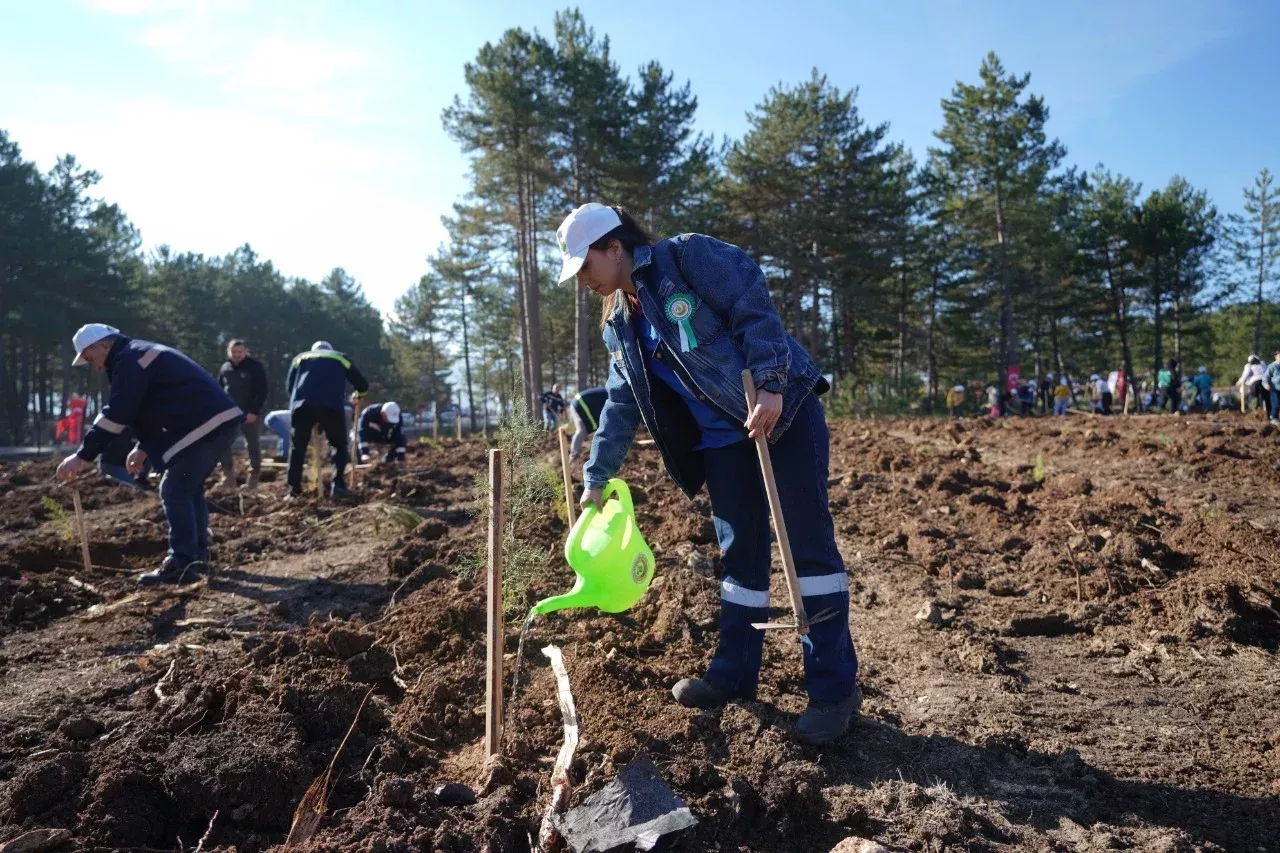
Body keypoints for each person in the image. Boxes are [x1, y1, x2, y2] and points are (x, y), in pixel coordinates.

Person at [556, 202, 857, 745]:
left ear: (615, 247)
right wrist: (596, 477)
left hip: (780, 413)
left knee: (806, 549)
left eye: (585, 265)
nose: (582, 280)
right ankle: (734, 675)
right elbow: (623, 404)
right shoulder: (620, 326)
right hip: (725, 442)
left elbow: (750, 300)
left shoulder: (685, 259)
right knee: (739, 555)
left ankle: (834, 690)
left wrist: (769, 382)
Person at [55, 324, 242, 585]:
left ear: (103, 346)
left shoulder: (130, 360)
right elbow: (151, 407)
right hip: (213, 423)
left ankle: (182, 562)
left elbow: (119, 412)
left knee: (174, 489)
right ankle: (196, 559)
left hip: (207, 425)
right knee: (187, 488)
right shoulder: (135, 355)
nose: (94, 367)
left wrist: (83, 455)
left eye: (90, 358)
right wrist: (143, 447)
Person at [285, 341, 368, 499]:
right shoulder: (340, 357)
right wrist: (359, 395)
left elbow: (290, 386)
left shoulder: (300, 358)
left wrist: (301, 403)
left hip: (302, 406)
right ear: (330, 350)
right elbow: (362, 384)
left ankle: (293, 490)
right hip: (331, 406)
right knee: (338, 445)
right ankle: (338, 485)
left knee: (297, 448)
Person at [215, 339, 269, 490]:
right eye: (234, 352)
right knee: (223, 442)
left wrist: (254, 411)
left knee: (252, 444)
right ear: (229, 352)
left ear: (246, 351)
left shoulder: (255, 367)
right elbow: (219, 389)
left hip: (249, 413)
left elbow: (262, 391)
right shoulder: (225, 368)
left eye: (239, 352)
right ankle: (228, 477)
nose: (237, 355)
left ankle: (253, 479)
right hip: (228, 412)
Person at [357, 401, 406, 465]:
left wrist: (401, 458)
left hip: (385, 436)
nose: (389, 422)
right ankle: (361, 463)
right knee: (355, 439)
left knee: (402, 440)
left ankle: (387, 461)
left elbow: (400, 436)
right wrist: (364, 453)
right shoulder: (368, 413)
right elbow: (362, 432)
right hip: (370, 435)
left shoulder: (398, 417)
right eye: (387, 418)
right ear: (382, 413)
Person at [567, 387, 608, 461]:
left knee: (594, 427)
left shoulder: (612, 392)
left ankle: (596, 450)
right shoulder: (614, 395)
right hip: (581, 403)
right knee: (583, 430)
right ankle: (573, 456)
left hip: (580, 402)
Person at [1263, 350, 1280, 426]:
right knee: (1276, 404)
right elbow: (1266, 377)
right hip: (1275, 389)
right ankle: (1273, 418)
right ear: (1275, 357)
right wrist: (1266, 384)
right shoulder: (1272, 366)